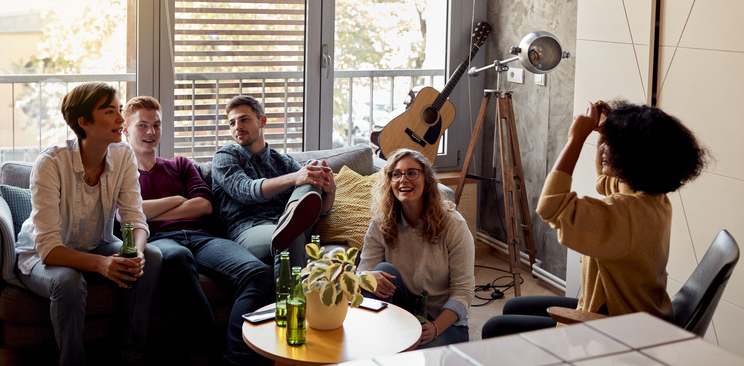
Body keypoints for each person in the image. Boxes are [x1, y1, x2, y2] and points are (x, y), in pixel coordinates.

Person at [481, 100, 707, 338]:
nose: (604, 149)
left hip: (616, 329)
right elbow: (604, 181)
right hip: (638, 311)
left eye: (611, 144)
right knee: (512, 307)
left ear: (633, 157)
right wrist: (603, 132)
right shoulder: (653, 199)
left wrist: (576, 139)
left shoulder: (625, 215)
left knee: (495, 328)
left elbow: (551, 205)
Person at [14, 83, 162, 366]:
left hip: (96, 244)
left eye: (120, 110)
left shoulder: (123, 155)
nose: (121, 119)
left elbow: (135, 218)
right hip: (42, 256)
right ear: (84, 122)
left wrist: (137, 253)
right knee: (69, 280)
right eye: (110, 111)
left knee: (152, 256)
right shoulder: (51, 163)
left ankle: (130, 356)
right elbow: (49, 249)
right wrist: (101, 265)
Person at [122, 96, 271, 365]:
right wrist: (177, 200)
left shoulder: (180, 164)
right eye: (142, 125)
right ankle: (211, 350)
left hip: (202, 238)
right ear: (125, 130)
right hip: (161, 241)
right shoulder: (121, 176)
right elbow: (126, 215)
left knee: (258, 273)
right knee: (177, 258)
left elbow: (203, 206)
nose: (151, 132)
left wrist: (148, 210)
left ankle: (236, 358)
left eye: (156, 125)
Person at [359, 148, 475, 348]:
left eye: (412, 173)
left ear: (426, 181)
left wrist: (436, 327)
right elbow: (361, 273)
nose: (403, 179)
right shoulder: (381, 223)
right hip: (401, 311)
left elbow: (463, 292)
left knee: (417, 358)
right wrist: (365, 277)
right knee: (380, 273)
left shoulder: (454, 225)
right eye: (396, 174)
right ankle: (375, 337)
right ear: (390, 183)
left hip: (441, 320)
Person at [211, 95, 336, 270]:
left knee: (314, 167)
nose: (237, 127)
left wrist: (330, 191)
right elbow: (246, 191)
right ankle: (290, 221)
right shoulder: (226, 156)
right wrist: (294, 178)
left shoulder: (283, 161)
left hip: (284, 223)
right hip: (247, 229)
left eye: (244, 119)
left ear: (262, 121)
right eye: (232, 123)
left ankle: (290, 217)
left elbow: (321, 211)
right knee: (290, 234)